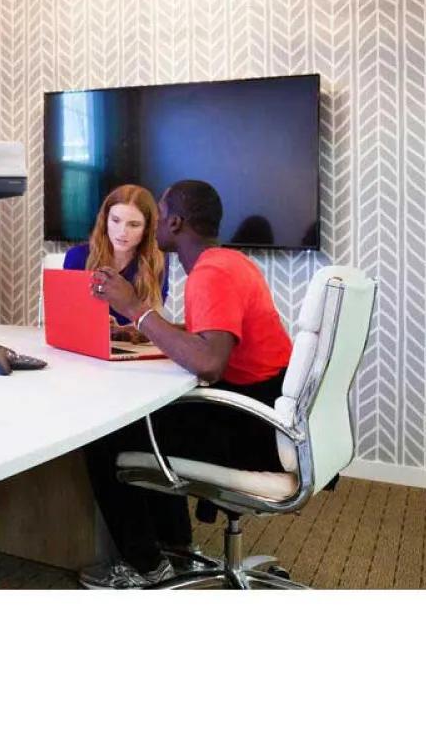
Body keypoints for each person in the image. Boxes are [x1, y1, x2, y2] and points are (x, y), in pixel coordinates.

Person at [80, 179, 293, 588]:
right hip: (268, 417)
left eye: (159, 215)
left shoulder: (210, 273)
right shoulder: (230, 262)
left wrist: (135, 308)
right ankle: (177, 549)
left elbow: (209, 363)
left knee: (107, 435)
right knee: (151, 420)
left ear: (175, 223)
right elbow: (215, 336)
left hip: (255, 431)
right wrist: (148, 330)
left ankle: (145, 566)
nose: (156, 223)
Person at [63, 184, 169, 332]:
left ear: (147, 229)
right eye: (115, 220)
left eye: (134, 225)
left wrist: (121, 330)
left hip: (133, 342)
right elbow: (68, 316)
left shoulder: (156, 261)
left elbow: (153, 321)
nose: (122, 232)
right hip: (86, 340)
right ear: (105, 220)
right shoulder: (77, 257)